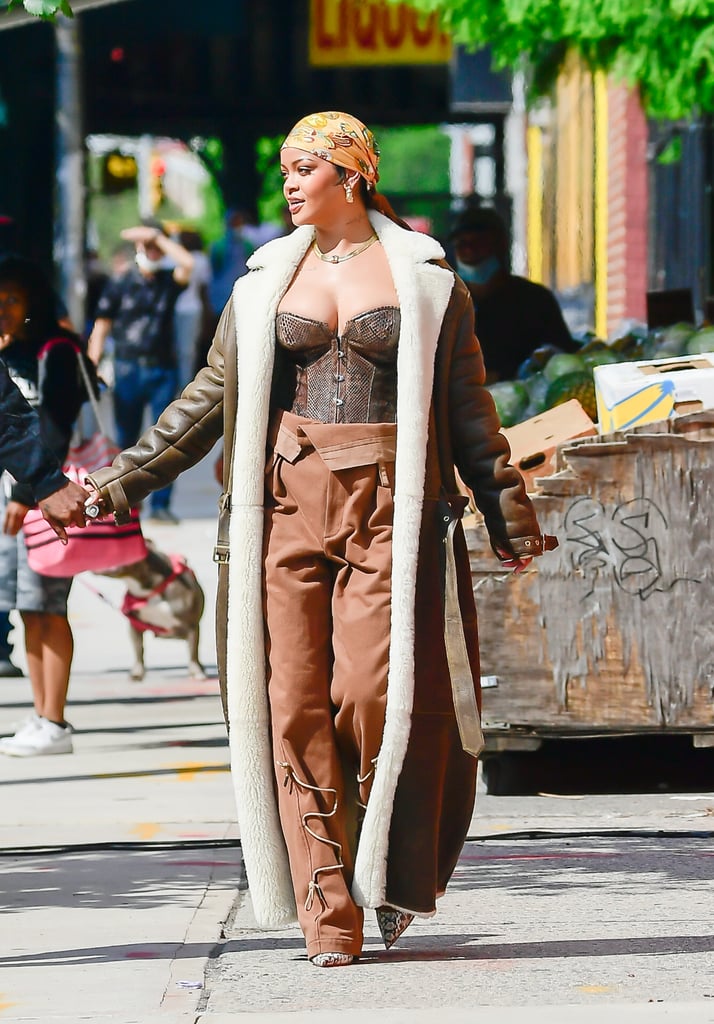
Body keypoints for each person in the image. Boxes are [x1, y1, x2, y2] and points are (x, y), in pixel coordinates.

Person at [84, 111, 555, 967]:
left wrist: (507, 514)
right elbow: (204, 402)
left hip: (392, 502)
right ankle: (326, 903)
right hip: (282, 505)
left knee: (378, 692)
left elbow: (470, 411)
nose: (290, 185)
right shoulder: (263, 280)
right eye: (287, 171)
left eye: (305, 169)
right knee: (290, 702)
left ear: (353, 175)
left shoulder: (427, 279)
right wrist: (117, 484)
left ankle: (385, 861)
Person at [0, 256, 91, 756]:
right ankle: (40, 715)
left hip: (44, 496)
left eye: (12, 300)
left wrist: (24, 491)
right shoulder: (7, 353)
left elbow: (54, 428)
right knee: (25, 608)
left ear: (33, 301)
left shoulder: (55, 352)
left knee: (45, 604)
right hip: (21, 496)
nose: (3, 311)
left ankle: (54, 718)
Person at [86, 221, 194, 524]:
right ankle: (123, 502)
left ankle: (160, 505)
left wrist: (159, 237)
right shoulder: (120, 282)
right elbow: (101, 326)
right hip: (128, 368)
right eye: (146, 245)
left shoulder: (168, 281)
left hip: (162, 369)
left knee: (168, 440)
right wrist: (91, 366)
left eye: (156, 246)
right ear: (137, 248)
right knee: (126, 440)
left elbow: (187, 262)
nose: (151, 251)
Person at [449, 205, 579, 382]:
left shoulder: (535, 299)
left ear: (500, 245)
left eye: (479, 243)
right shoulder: (447, 303)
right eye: (462, 244)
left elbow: (563, 356)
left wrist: (505, 376)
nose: (470, 251)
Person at [172, 228, 215, 390]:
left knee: (185, 352)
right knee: (186, 352)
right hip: (190, 308)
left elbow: (203, 289)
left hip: (189, 307)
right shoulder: (199, 259)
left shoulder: (197, 260)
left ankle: (184, 385)